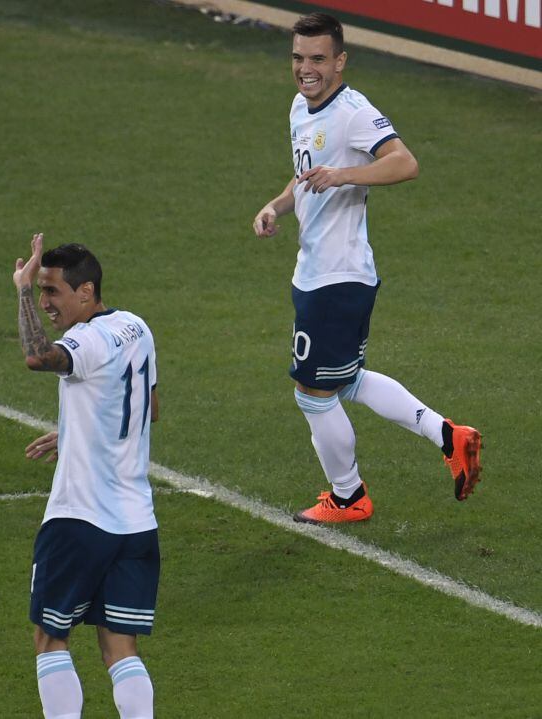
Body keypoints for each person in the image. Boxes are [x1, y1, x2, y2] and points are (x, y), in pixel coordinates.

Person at [251, 12, 482, 523]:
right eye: (298, 58)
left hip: (338, 279)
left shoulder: (354, 112)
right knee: (346, 380)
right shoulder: (299, 106)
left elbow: (405, 162)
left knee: (312, 394)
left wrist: (344, 175)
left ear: (340, 60)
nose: (305, 69)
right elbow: (304, 174)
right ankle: (448, 435)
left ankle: (349, 497)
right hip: (319, 272)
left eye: (317, 59)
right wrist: (276, 205)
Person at [14, 233, 159, 719]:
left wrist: (18, 291)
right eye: (39, 290)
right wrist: (75, 429)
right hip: (136, 522)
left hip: (79, 519)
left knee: (50, 640)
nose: (45, 301)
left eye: (52, 291)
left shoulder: (87, 338)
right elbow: (148, 409)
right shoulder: (137, 327)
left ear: (86, 291)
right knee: (120, 647)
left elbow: (39, 357)